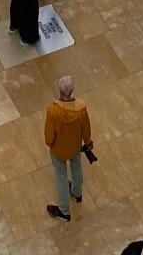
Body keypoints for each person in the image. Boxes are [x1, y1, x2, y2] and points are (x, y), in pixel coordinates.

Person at [44, 74, 93, 222]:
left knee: (61, 176)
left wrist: (50, 143)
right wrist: (88, 142)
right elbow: (86, 128)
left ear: (59, 90)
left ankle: (64, 211)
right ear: (72, 91)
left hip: (58, 149)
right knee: (77, 167)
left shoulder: (54, 111)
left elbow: (49, 136)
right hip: (75, 146)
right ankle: (77, 193)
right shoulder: (81, 109)